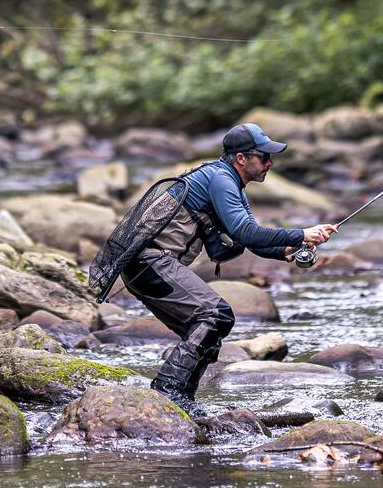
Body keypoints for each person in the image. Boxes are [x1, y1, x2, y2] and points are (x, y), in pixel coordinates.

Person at [121, 123, 337, 416]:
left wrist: (289, 250)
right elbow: (246, 233)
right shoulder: (221, 179)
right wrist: (301, 233)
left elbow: (248, 238)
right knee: (214, 314)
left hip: (148, 266)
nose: (270, 163)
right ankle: (167, 390)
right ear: (241, 158)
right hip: (148, 264)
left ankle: (183, 399)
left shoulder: (228, 181)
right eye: (264, 157)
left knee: (210, 326)